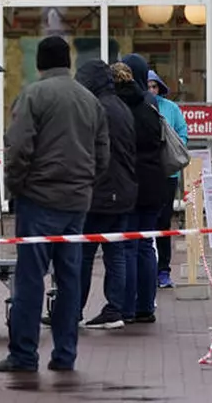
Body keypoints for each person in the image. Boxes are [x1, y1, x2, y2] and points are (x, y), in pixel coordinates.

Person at [0, 37, 108, 374]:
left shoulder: (33, 95)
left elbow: (18, 148)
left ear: (39, 63)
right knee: (69, 279)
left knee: (30, 279)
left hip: (38, 201)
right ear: (68, 62)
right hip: (76, 202)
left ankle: (24, 355)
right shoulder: (89, 100)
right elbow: (102, 154)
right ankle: (65, 354)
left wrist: (17, 187)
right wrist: (85, 184)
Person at [75, 60, 137, 330]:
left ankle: (73, 310)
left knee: (84, 254)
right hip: (123, 190)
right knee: (116, 252)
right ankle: (115, 309)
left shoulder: (97, 108)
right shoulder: (121, 106)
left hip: (101, 192)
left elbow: (91, 152)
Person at [113, 60, 163, 324]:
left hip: (129, 183)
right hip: (154, 182)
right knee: (146, 245)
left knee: (128, 247)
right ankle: (146, 306)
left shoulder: (118, 107)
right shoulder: (151, 105)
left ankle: (127, 308)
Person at [147, 69, 188, 289]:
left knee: (163, 222)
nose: (151, 90)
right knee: (145, 223)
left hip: (168, 173)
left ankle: (163, 270)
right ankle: (147, 270)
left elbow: (183, 133)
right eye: (147, 86)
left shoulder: (171, 108)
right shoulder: (139, 107)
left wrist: (172, 148)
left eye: (154, 86)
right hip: (146, 173)